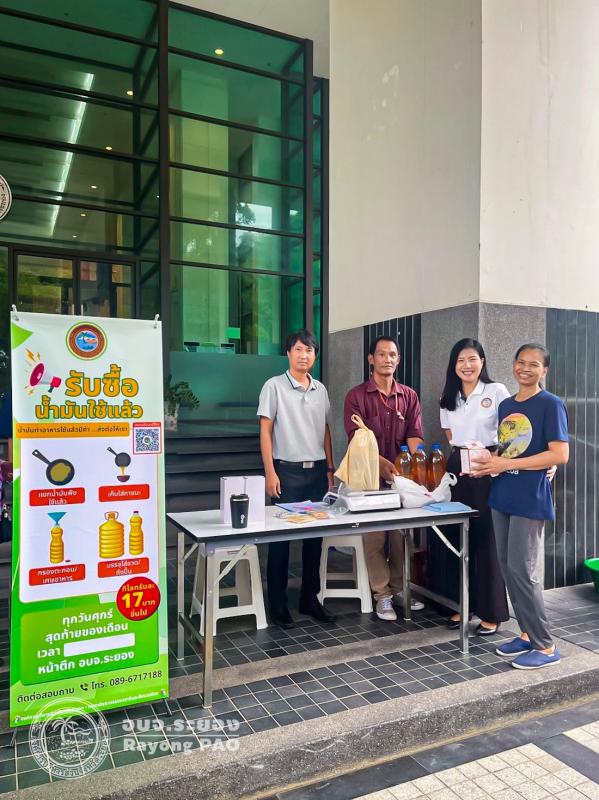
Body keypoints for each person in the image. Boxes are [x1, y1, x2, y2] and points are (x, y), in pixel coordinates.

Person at [471, 343, 569, 669]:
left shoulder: (550, 404)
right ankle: (526, 634)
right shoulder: (507, 405)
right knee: (508, 568)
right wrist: (490, 462)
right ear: (513, 365)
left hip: (530, 498)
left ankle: (545, 646)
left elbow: (560, 454)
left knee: (523, 571)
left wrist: (509, 464)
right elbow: (510, 449)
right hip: (502, 494)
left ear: (544, 371)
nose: (525, 368)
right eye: (520, 362)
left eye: (534, 364)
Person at [257, 329, 335, 629]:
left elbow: (326, 430)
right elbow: (265, 431)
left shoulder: (320, 389)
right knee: (280, 541)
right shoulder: (273, 386)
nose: (304, 355)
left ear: (315, 355)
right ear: (288, 353)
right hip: (285, 472)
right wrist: (270, 472)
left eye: (309, 350)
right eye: (299, 349)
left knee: (314, 540)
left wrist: (329, 469)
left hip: (316, 472)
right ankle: (277, 604)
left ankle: (309, 599)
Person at [344, 336, 425, 621]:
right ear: (371, 359)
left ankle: (400, 588)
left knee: (402, 536)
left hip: (401, 478)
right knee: (375, 538)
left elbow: (415, 435)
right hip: (368, 480)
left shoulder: (409, 396)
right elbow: (356, 439)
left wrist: (420, 465)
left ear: (398, 360)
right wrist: (380, 463)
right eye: (381, 354)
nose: (387, 359)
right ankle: (382, 595)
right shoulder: (356, 396)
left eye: (392, 354)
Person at [439, 338, 510, 635]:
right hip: (458, 467)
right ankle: (461, 604)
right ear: (453, 365)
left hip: (488, 465)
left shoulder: (496, 391)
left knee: (486, 537)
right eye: (460, 360)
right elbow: (449, 433)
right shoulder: (449, 396)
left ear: (482, 361)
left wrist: (494, 458)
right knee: (456, 536)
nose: (466, 365)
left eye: (472, 359)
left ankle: (491, 611)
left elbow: (511, 431)